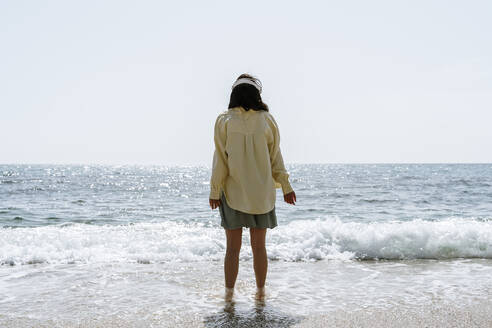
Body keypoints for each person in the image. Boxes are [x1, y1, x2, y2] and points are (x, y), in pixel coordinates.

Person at [208, 73, 297, 302]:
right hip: (261, 194)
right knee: (259, 248)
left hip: (233, 192)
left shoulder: (223, 121)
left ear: (234, 94)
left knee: (232, 249)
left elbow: (220, 159)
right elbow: (275, 156)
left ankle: (228, 295)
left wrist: (215, 191)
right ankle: (260, 293)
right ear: (257, 94)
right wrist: (286, 186)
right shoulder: (267, 120)